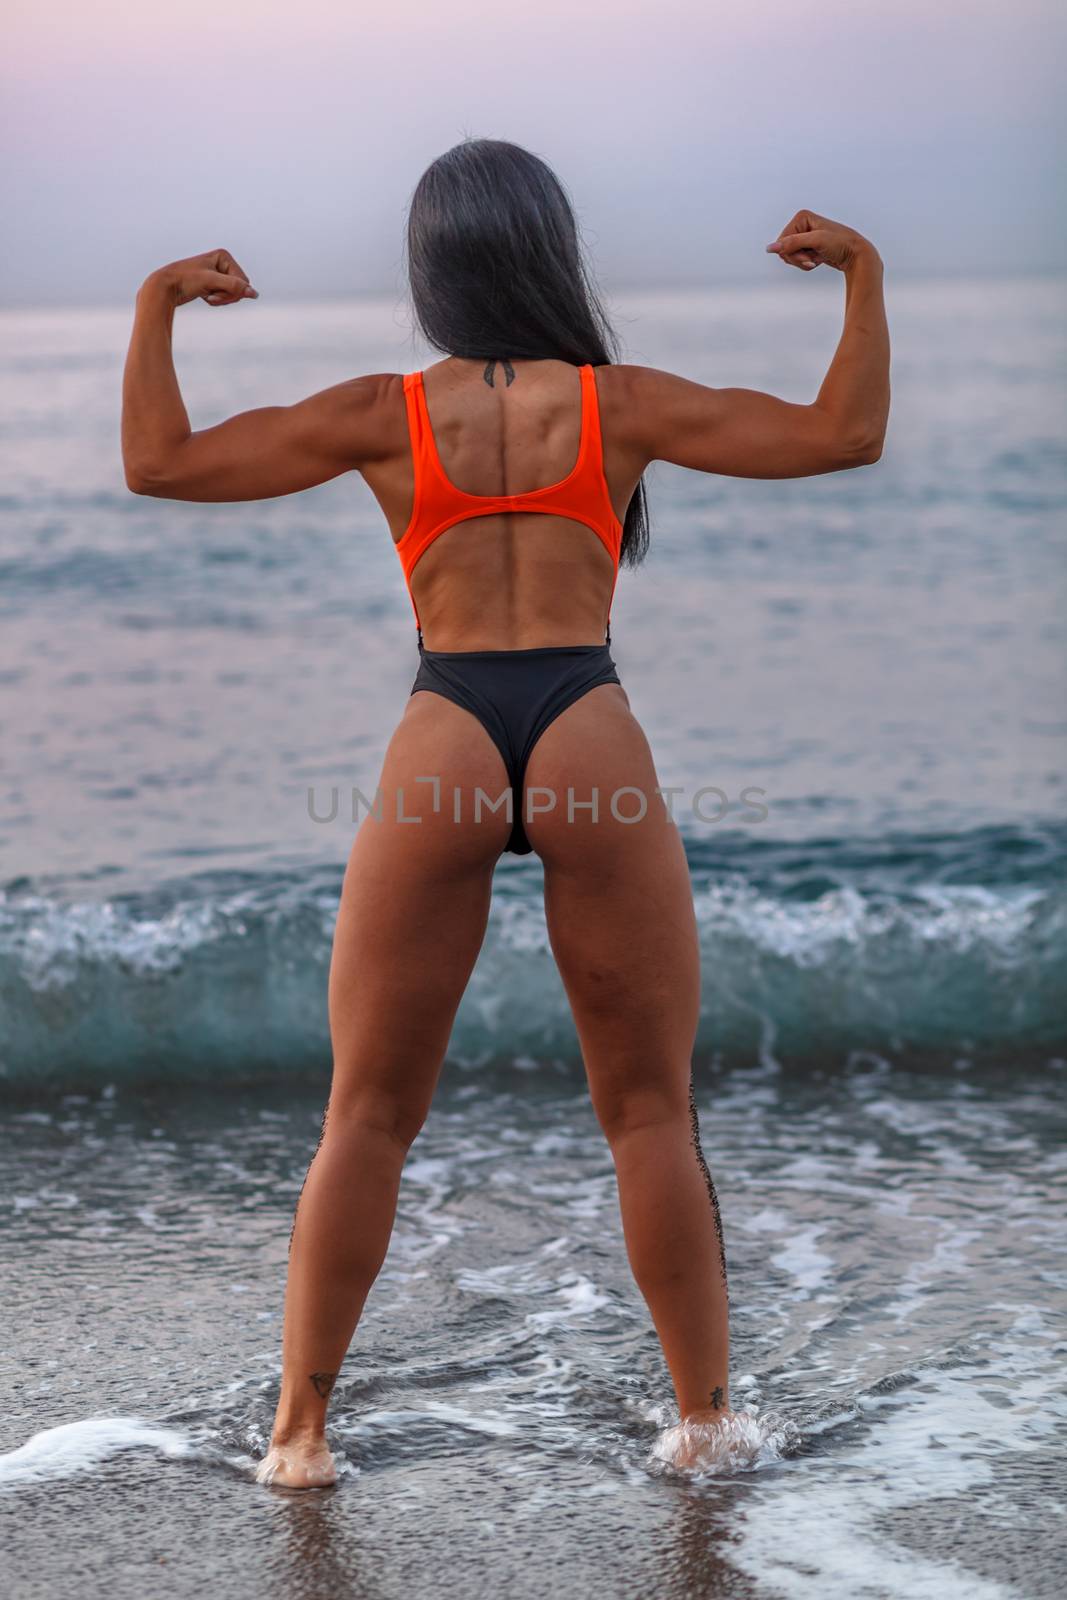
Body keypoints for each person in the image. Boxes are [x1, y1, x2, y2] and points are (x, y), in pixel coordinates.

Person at [121, 137, 890, 1487]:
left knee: (366, 1111)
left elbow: (161, 464)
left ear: (432, 271)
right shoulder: (624, 402)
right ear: (549, 254)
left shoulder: (383, 411)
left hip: (449, 737)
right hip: (586, 724)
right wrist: (863, 279)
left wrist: (155, 306)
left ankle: (299, 1437)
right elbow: (845, 436)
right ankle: (705, 1422)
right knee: (648, 1109)